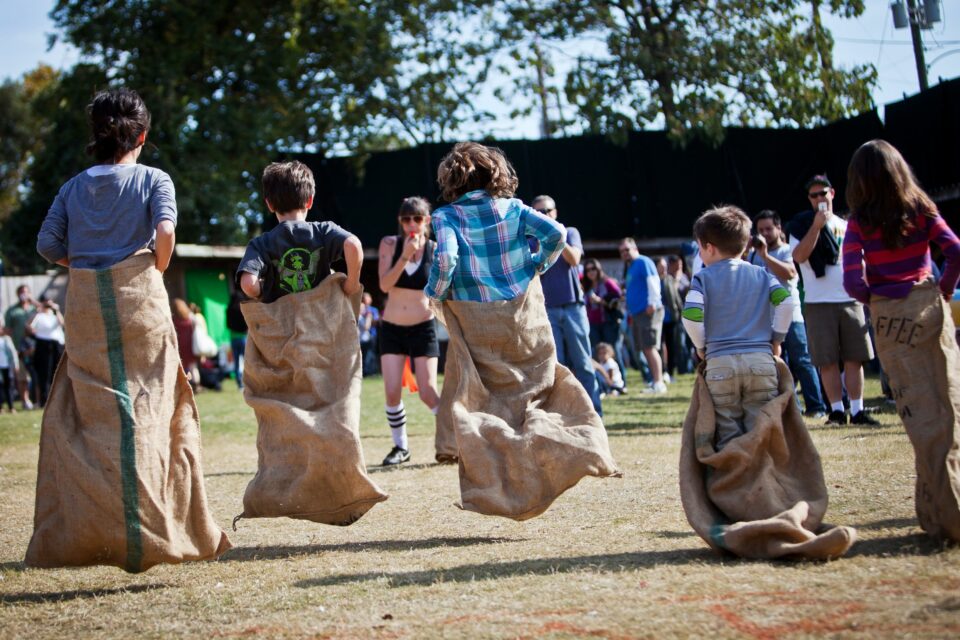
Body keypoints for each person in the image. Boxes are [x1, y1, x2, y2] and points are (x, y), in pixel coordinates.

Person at [31, 88, 229, 570]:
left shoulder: (73, 187)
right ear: (142, 135)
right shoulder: (154, 179)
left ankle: (94, 526)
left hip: (85, 312)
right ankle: (155, 529)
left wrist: (83, 262)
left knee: (96, 415)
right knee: (151, 409)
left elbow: (46, 243)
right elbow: (165, 234)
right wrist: (154, 267)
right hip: (140, 304)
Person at [843, 139, 960, 542]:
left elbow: (851, 279)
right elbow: (955, 249)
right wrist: (943, 287)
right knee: (948, 404)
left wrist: (872, 296)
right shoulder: (922, 209)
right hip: (928, 310)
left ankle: (939, 511)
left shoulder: (860, 221)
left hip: (891, 318)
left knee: (918, 413)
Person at [681, 206, 796, 449]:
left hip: (720, 363)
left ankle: (733, 480)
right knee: (761, 430)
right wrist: (777, 339)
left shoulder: (703, 278)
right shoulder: (762, 275)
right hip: (761, 361)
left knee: (727, 433)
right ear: (745, 246)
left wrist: (702, 347)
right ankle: (762, 482)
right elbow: (786, 302)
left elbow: (691, 315)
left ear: (708, 247)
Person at [785, 174, 879, 426]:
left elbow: (860, 261)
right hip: (818, 302)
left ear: (832, 193)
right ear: (809, 199)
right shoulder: (801, 225)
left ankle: (857, 410)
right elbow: (799, 256)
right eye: (814, 195)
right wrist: (816, 226)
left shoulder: (847, 225)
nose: (819, 199)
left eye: (823, 193)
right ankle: (836, 411)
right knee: (826, 361)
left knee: (854, 357)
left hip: (850, 299)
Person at [376, 196, 442, 466]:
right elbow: (384, 285)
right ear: (400, 222)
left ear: (427, 220)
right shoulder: (390, 244)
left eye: (417, 218)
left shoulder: (436, 249)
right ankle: (400, 447)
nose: (411, 224)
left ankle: (451, 440)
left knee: (428, 391)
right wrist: (404, 256)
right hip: (392, 328)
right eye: (406, 219)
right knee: (392, 391)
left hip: (423, 327)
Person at [237, 160, 362, 302]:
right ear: (310, 201)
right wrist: (352, 284)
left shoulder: (260, 244)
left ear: (270, 205)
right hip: (322, 320)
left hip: (283, 321)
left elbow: (248, 284)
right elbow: (353, 245)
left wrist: (262, 291)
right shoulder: (324, 231)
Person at [749, 210, 828, 418]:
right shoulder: (752, 256)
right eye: (760, 230)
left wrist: (765, 257)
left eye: (768, 229)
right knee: (777, 365)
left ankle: (816, 407)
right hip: (766, 319)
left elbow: (790, 273)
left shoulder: (785, 250)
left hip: (791, 317)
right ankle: (792, 408)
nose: (764, 233)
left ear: (779, 229)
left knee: (802, 361)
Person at [532, 195, 602, 415]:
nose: (544, 215)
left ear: (556, 212)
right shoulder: (530, 239)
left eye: (548, 211)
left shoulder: (569, 232)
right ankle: (562, 415)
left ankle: (594, 413)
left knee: (583, 363)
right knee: (556, 366)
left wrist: (555, 235)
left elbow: (574, 259)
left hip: (573, 308)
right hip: (547, 310)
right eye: (539, 213)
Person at [622, 237, 667, 393]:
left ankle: (658, 382)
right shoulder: (632, 266)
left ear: (635, 248)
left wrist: (653, 303)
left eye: (627, 249)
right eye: (621, 251)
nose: (624, 253)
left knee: (650, 347)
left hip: (648, 311)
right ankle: (655, 381)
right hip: (638, 313)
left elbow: (653, 281)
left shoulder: (643, 261)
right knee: (645, 348)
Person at [581, 257, 625, 369]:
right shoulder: (586, 286)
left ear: (598, 269)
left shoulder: (607, 282)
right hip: (592, 324)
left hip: (608, 322)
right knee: (596, 353)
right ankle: (603, 384)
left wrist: (601, 301)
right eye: (588, 270)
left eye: (593, 269)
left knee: (612, 352)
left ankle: (620, 383)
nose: (591, 272)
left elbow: (619, 297)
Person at [28, 296, 65, 408]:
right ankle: (45, 400)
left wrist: (56, 309)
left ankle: (58, 400)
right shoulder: (39, 315)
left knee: (57, 372)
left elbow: (62, 323)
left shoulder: (54, 315)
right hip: (43, 344)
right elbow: (29, 326)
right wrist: (38, 310)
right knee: (44, 373)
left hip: (56, 345)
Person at [4, 284, 36, 410]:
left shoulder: (34, 309)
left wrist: (33, 300)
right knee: (22, 377)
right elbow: (7, 330)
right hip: (19, 349)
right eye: (22, 292)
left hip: (35, 348)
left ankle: (38, 400)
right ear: (17, 294)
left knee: (36, 376)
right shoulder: (12, 311)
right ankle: (25, 400)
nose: (24, 294)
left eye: (26, 292)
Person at [657, 256, 681, 382]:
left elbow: (676, 298)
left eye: (664, 266)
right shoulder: (653, 280)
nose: (664, 269)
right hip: (657, 319)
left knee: (672, 346)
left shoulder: (669, 279)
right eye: (661, 266)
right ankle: (661, 372)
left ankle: (671, 372)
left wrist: (680, 311)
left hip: (670, 318)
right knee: (659, 347)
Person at [226, 289, 248, 389]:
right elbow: (246, 324)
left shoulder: (228, 309)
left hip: (233, 338)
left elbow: (228, 325)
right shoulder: (242, 309)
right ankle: (249, 382)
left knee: (236, 362)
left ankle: (239, 384)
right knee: (247, 361)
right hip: (243, 338)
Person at [357, 292, 380, 377]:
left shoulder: (373, 310)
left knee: (371, 354)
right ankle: (364, 372)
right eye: (365, 298)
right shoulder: (359, 310)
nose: (367, 300)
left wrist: (370, 318)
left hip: (372, 335)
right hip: (361, 337)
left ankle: (370, 371)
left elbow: (377, 321)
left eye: (368, 298)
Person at [0, 320, 18, 413]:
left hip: (6, 366)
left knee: (9, 386)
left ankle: (11, 407)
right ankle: (1, 407)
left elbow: (13, 353)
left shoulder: (6, 339)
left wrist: (15, 364)